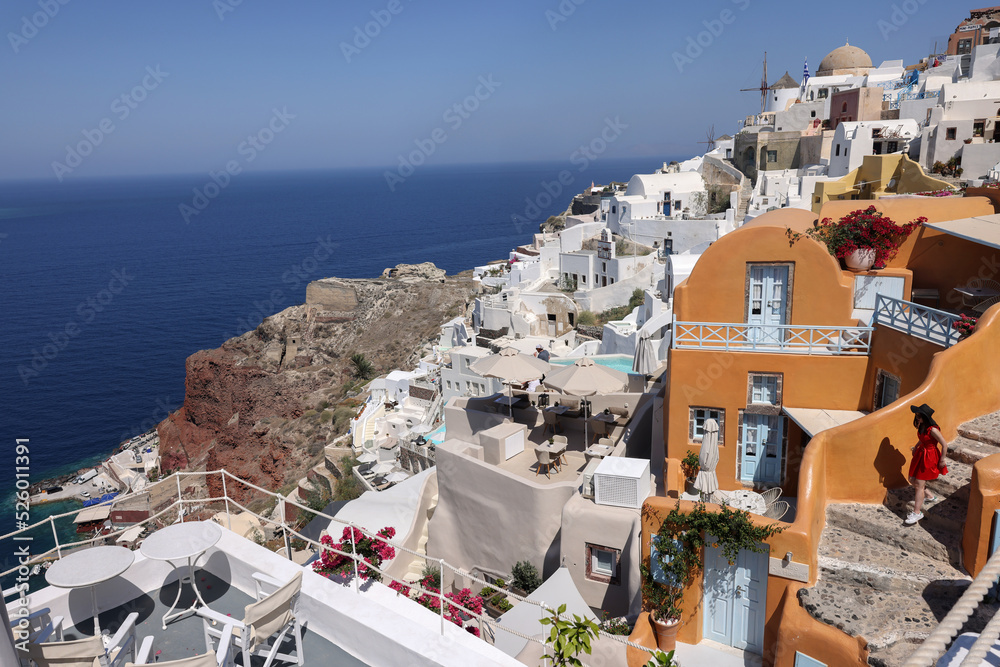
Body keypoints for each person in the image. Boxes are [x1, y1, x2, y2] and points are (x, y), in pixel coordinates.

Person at [905, 403, 948, 525]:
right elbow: (923, 438)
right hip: (921, 454)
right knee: (912, 479)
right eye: (917, 415)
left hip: (929, 457)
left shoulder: (933, 429)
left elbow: (944, 444)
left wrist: (942, 459)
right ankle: (929, 496)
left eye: (919, 415)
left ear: (925, 416)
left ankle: (917, 513)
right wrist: (917, 446)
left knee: (918, 484)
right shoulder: (922, 426)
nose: (917, 417)